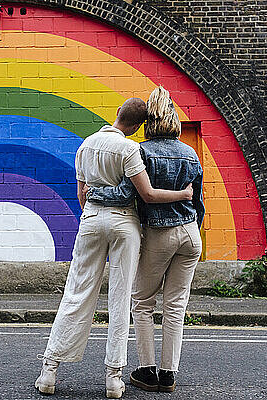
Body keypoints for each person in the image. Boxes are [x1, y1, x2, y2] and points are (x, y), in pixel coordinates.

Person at [35, 98, 193, 399]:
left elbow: (82, 194)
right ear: (136, 126)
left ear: (118, 115)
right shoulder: (130, 149)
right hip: (125, 224)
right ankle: (113, 379)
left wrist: (93, 212)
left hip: (92, 219)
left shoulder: (85, 146)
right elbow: (146, 194)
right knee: (120, 298)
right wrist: (182, 193)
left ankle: (49, 371)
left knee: (77, 292)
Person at [87, 86, 205, 393]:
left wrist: (94, 193)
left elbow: (128, 194)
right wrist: (192, 229)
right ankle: (169, 374)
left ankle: (147, 371)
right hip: (191, 234)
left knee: (141, 302)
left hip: (159, 233)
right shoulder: (191, 153)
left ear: (148, 123)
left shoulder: (142, 151)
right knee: (176, 305)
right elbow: (199, 202)